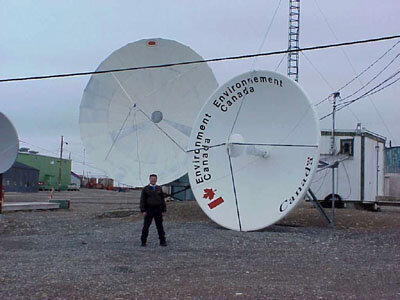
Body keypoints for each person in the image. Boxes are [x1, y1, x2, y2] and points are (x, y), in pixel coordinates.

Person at [140, 174, 167, 247]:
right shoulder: (145, 189)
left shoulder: (159, 188)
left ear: (156, 179)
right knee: (146, 226)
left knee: (160, 226)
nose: (153, 180)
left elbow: (162, 200)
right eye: (152, 179)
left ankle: (162, 241)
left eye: (155, 179)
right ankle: (143, 241)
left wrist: (164, 210)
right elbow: (142, 200)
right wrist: (143, 210)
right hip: (149, 210)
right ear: (149, 179)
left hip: (158, 209)